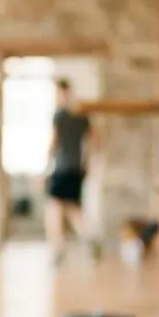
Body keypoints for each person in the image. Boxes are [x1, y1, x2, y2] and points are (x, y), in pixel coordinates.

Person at [45, 78, 99, 263]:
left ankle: (58, 247)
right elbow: (95, 140)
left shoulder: (59, 115)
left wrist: (46, 162)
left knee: (54, 207)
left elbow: (54, 141)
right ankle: (88, 236)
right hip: (77, 168)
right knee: (71, 206)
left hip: (62, 168)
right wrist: (87, 162)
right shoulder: (81, 115)